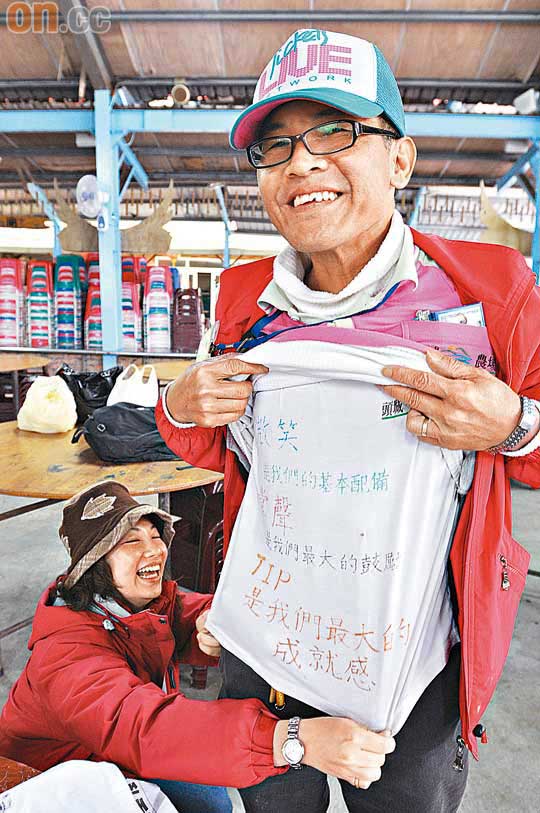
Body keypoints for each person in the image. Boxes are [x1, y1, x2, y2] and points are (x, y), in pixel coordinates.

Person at [156, 28, 540, 813]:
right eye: (276, 145)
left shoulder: (489, 292)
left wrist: (514, 425)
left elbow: (531, 451)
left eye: (336, 131)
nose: (302, 163)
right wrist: (178, 404)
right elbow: (212, 446)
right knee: (272, 803)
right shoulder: (241, 299)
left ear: (400, 158)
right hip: (271, 634)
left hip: (415, 658)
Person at [0, 480, 395, 812]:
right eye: (130, 542)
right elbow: (145, 726)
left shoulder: (131, 603)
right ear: (94, 565)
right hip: (54, 781)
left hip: (107, 751)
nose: (154, 549)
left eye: (155, 536)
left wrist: (214, 620)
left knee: (209, 796)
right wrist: (291, 741)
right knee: (208, 801)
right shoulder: (66, 659)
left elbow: (184, 613)